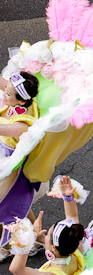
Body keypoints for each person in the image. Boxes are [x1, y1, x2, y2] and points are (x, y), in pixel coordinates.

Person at [0, 71, 40, 260]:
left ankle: (7, 246)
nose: (4, 94)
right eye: (5, 91)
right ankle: (37, 239)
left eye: (8, 94)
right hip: (6, 164)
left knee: (8, 208)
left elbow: (3, 129)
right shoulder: (20, 100)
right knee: (17, 206)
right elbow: (5, 84)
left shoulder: (21, 125)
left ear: (21, 102)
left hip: (12, 172)